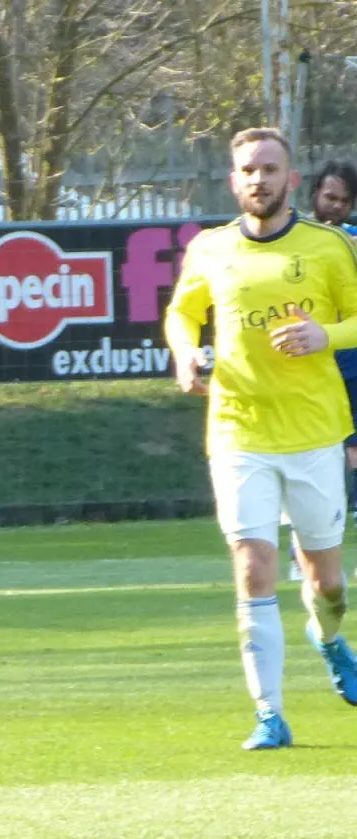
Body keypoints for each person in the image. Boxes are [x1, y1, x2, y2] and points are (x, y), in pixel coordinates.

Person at [164, 129, 357, 750]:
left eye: (270, 169)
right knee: (252, 566)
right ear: (233, 180)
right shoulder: (211, 248)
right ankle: (270, 713)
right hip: (237, 430)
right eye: (248, 170)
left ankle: (328, 637)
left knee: (327, 584)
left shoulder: (330, 246)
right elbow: (182, 312)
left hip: (313, 432)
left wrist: (324, 335)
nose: (258, 179)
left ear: (291, 180)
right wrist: (185, 352)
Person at [307, 160, 357, 514]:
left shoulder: (352, 239)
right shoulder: (294, 238)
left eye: (345, 200)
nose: (337, 206)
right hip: (309, 360)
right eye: (331, 197)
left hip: (350, 357)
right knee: (313, 441)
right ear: (315, 195)